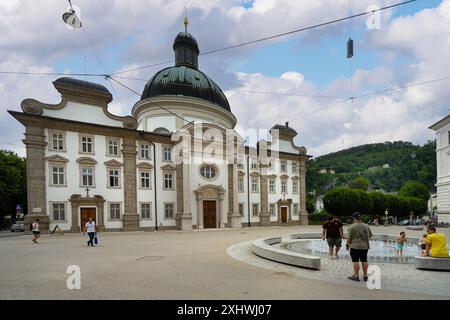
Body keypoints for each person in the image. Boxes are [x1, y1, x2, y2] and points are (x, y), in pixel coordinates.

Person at [346, 212, 373, 282]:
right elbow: (370, 235)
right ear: (360, 218)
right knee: (364, 260)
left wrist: (347, 244)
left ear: (354, 218)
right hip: (364, 246)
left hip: (354, 246)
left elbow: (349, 238)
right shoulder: (366, 226)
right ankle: (365, 275)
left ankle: (356, 276)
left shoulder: (351, 227)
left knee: (355, 261)